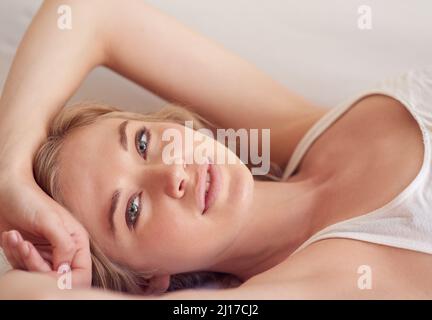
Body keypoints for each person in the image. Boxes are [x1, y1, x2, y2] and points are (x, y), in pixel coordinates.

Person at [1, 0, 431, 299]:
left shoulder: (302, 130)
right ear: (149, 282)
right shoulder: (302, 287)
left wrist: (9, 173)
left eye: (143, 141)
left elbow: (87, 14)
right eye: (132, 210)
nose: (172, 173)